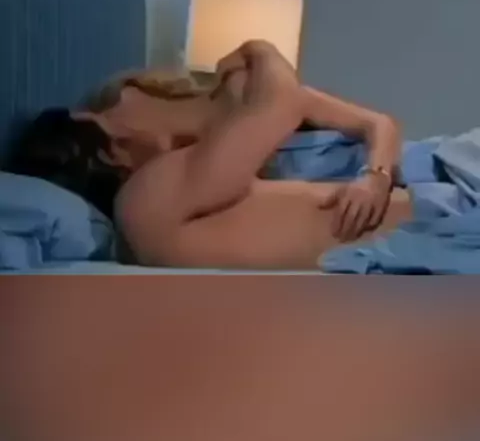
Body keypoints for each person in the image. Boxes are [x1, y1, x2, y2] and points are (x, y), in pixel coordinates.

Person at [6, 40, 414, 270]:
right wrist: (259, 48)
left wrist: (376, 174)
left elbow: (375, 123)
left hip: (414, 184)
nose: (121, 107)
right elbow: (284, 100)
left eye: (119, 102)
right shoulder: (153, 198)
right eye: (109, 113)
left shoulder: (236, 103)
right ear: (112, 153)